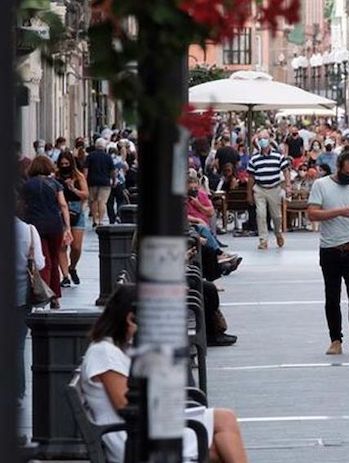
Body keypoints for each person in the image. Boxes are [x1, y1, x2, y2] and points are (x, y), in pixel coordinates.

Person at [78, 284, 249, 463]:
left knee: (223, 434)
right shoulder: (104, 353)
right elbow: (125, 406)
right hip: (132, 439)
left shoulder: (117, 348)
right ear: (131, 319)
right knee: (223, 429)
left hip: (145, 430)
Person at [307, 146, 349, 356]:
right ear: (338, 168)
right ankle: (335, 339)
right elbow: (312, 214)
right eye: (347, 174)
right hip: (330, 248)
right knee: (332, 296)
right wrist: (339, 212)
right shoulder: (321, 185)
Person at [22, 156, 72, 309]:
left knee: (44, 261)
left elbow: (23, 204)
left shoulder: (27, 185)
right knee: (55, 259)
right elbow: (63, 205)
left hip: (35, 225)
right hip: (54, 224)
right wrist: (67, 227)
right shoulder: (55, 184)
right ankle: (55, 296)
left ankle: (44, 295)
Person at [15, 210, 44, 426]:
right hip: (20, 296)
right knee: (17, 346)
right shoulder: (29, 231)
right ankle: (17, 389)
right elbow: (40, 264)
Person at [246, 130, 291, 250]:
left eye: (265, 138)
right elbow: (250, 177)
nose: (262, 141)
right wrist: (249, 194)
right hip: (260, 189)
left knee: (277, 216)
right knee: (260, 215)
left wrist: (288, 185)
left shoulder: (278, 155)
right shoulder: (254, 158)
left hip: (274, 189)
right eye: (260, 138)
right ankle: (263, 240)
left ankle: (278, 233)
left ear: (270, 140)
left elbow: (286, 170)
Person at [56, 153, 89, 287]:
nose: (64, 166)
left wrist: (73, 189)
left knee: (76, 247)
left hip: (76, 211)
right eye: (62, 164)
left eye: (66, 164)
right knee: (62, 246)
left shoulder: (78, 176)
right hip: (60, 212)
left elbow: (86, 195)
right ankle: (65, 276)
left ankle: (72, 267)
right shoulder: (55, 177)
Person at [86, 138, 115, 226]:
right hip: (105, 182)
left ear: (96, 145)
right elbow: (112, 171)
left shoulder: (90, 156)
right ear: (104, 146)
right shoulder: (108, 157)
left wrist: (84, 180)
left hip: (92, 181)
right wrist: (113, 181)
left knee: (93, 201)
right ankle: (101, 221)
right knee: (102, 202)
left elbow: (85, 170)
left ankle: (95, 220)